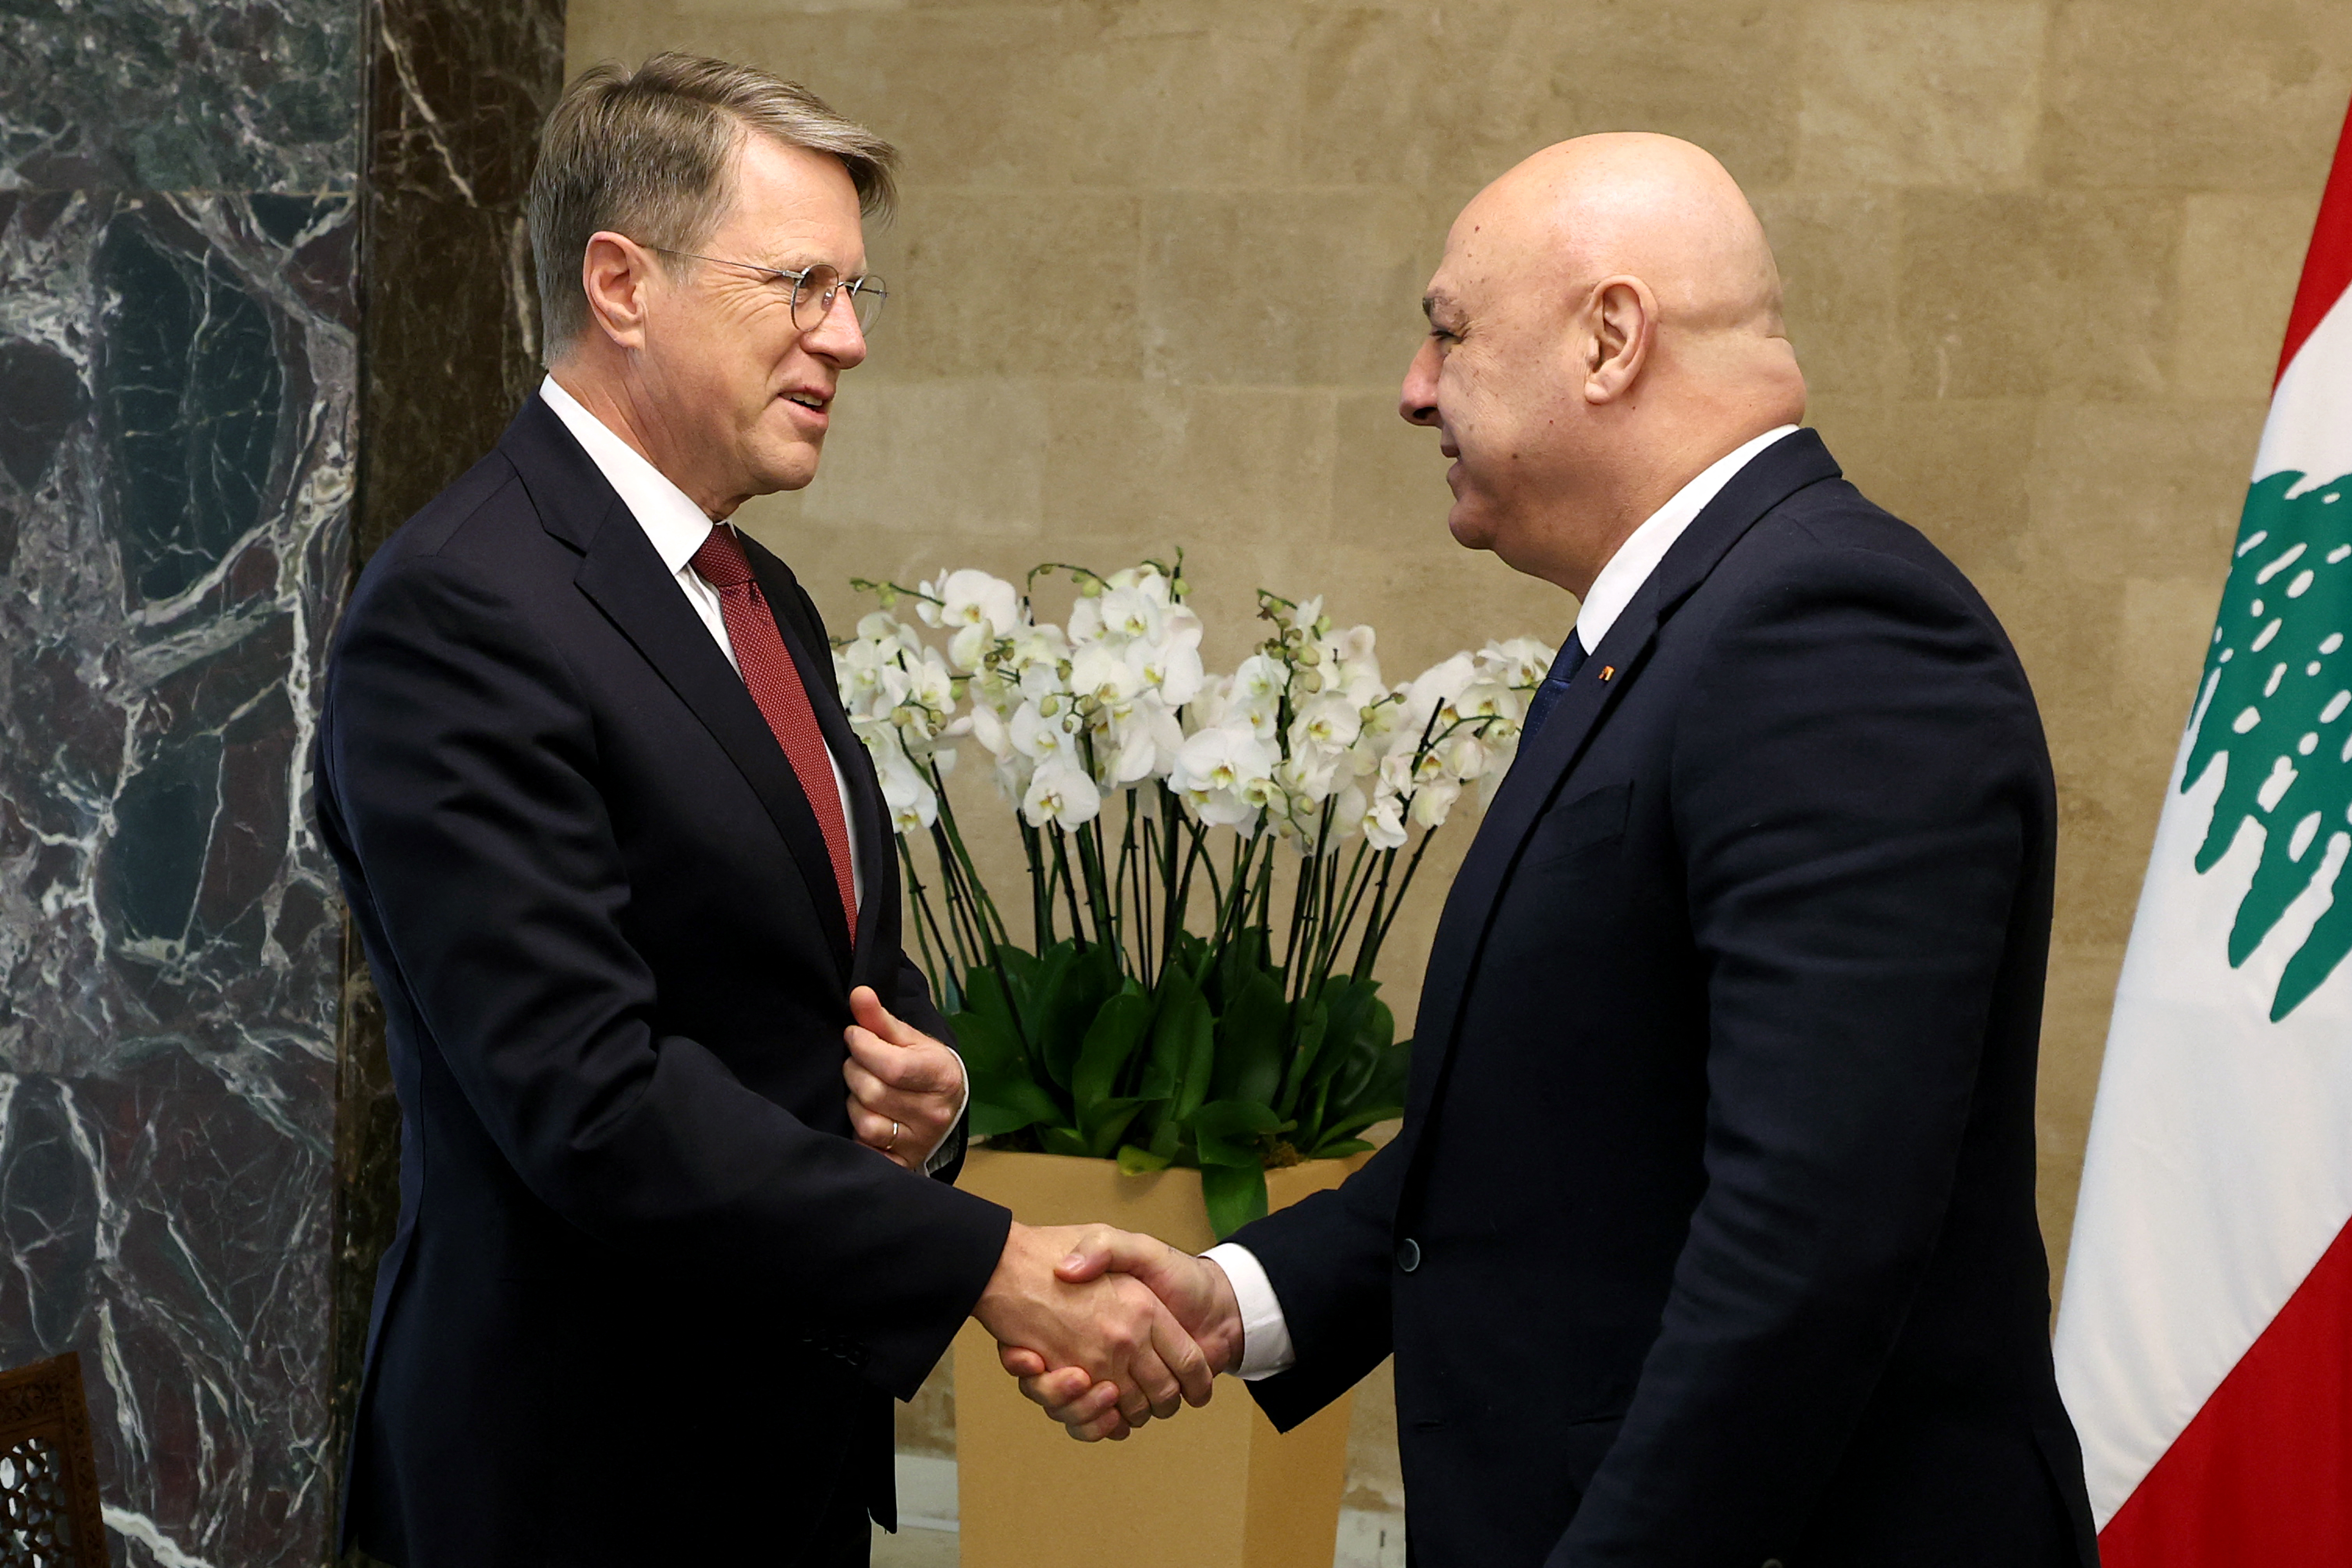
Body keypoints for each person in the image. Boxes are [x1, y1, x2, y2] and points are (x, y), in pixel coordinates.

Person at [1005, 134, 2100, 1567]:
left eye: (1446, 332)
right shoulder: (1662, 636)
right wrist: (1239, 1298)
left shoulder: (1828, 631)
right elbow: (1535, 1141)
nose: (1413, 389)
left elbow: (1808, 1237)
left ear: (1611, 338)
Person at [314, 54, 1207, 1568]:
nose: (847, 341)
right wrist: (989, 1262)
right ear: (622, 282)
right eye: (802, 286)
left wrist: (930, 1116)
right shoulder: (462, 609)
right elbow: (592, 1102)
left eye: (856, 293)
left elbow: (826, 976)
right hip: (571, 1485)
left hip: (781, 1463)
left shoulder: (756, 594)